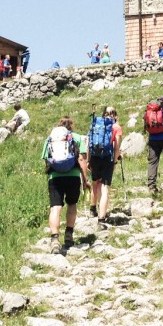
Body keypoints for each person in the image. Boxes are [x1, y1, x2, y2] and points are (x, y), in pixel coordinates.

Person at [42, 117, 89, 254]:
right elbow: (81, 159)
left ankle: (55, 240)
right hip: (73, 176)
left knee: (55, 208)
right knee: (72, 204)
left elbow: (46, 159)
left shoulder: (50, 138)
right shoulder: (77, 138)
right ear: (71, 126)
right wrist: (85, 179)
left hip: (55, 177)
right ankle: (68, 235)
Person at [86, 106, 123, 223]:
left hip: (94, 158)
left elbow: (88, 143)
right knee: (105, 188)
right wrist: (115, 160)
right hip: (107, 158)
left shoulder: (95, 124)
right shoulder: (116, 127)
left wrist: (88, 160)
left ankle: (92, 209)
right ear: (115, 115)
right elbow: (117, 147)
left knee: (95, 183)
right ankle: (101, 219)